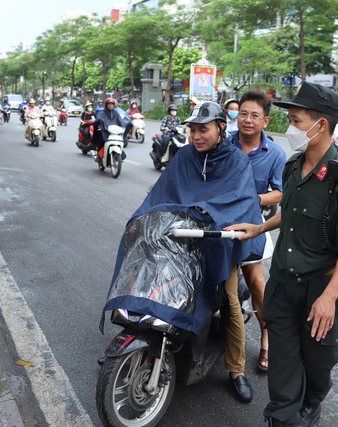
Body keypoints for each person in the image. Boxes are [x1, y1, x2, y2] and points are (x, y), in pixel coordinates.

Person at [226, 82, 338, 427]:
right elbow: (288, 211)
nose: (290, 127)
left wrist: (329, 298)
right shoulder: (292, 166)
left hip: (319, 290)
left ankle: (310, 404)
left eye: (296, 119)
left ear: (321, 125)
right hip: (283, 286)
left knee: (319, 368)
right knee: (284, 376)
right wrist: (258, 228)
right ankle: (286, 418)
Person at [104, 101, 265, 404]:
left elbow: (240, 202)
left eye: (203, 129)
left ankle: (235, 369)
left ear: (220, 127)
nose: (196, 136)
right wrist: (142, 220)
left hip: (216, 242)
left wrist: (207, 217)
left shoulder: (237, 162)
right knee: (146, 270)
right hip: (181, 237)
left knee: (229, 301)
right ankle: (139, 332)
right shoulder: (185, 156)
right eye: (192, 129)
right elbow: (161, 194)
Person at [228, 90, 286, 373]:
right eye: (242, 114)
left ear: (265, 121)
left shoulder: (275, 153)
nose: (247, 120)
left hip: (254, 224)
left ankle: (267, 339)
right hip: (220, 222)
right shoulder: (225, 144)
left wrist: (253, 199)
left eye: (254, 116)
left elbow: (280, 194)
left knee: (257, 283)